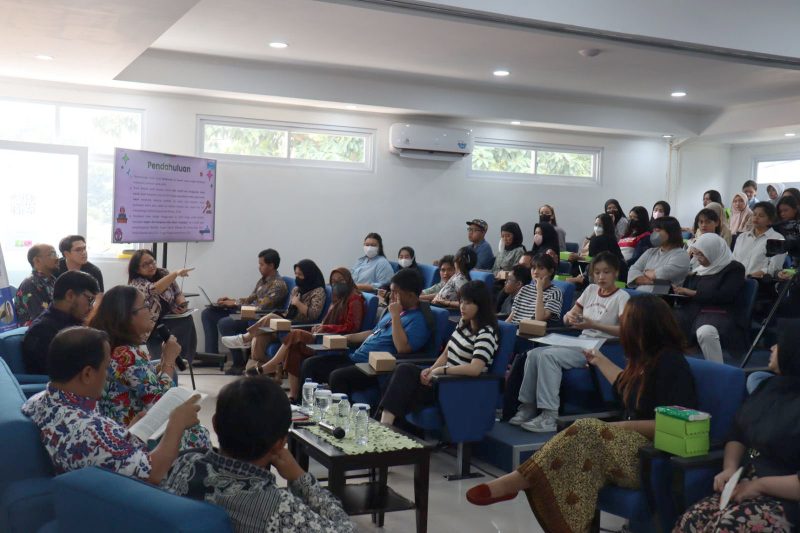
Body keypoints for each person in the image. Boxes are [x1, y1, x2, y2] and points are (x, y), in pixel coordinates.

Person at [468, 295, 698, 533]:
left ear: (646, 327)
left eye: (628, 322)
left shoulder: (671, 363)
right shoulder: (644, 358)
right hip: (629, 445)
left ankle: (519, 480)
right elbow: (625, 386)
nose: (623, 328)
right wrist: (598, 360)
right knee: (576, 458)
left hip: (651, 454)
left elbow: (674, 424)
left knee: (586, 430)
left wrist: (618, 428)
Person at [161, 377, 357, 533]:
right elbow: (346, 530)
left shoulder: (183, 463)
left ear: (214, 424)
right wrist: (300, 478)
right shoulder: (279, 508)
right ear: (280, 443)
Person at [21, 327, 201, 483]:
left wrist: (128, 432)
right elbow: (153, 473)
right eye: (106, 367)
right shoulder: (89, 431)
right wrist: (176, 424)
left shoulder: (39, 400)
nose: (107, 375)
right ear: (87, 374)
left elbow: (105, 452)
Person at [674, 322, 800, 532]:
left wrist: (759, 485)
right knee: (692, 520)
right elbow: (738, 431)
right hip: (745, 483)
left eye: (779, 344)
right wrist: (729, 468)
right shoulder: (769, 386)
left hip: (786, 497)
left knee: (728, 526)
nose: (772, 348)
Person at [508, 252, 630, 432]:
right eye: (597, 273)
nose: (601, 277)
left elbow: (625, 331)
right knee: (533, 354)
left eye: (606, 272)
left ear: (616, 273)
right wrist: (569, 318)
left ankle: (550, 415)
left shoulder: (622, 297)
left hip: (600, 348)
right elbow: (569, 316)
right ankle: (528, 406)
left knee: (548, 356)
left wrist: (593, 324)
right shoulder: (590, 291)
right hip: (582, 341)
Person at [89, 286, 212, 450]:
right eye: (145, 306)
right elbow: (160, 405)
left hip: (114, 427)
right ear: (128, 316)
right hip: (137, 433)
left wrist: (162, 363)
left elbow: (144, 385)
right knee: (198, 432)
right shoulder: (128, 355)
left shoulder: (111, 346)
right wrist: (169, 361)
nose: (151, 311)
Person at [378, 281, 499, 425]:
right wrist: (432, 369)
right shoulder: (463, 323)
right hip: (442, 379)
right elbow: (447, 353)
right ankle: (385, 425)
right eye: (461, 302)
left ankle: (385, 426)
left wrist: (442, 371)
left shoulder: (486, 333)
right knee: (403, 369)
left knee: (403, 386)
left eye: (468, 303)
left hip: (457, 386)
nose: (462, 307)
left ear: (481, 306)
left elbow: (475, 369)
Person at [245, 268, 366, 401]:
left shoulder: (354, 299)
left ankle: (273, 364)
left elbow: (352, 327)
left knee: (295, 334)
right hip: (323, 335)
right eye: (333, 281)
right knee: (294, 348)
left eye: (341, 280)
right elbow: (325, 320)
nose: (336, 284)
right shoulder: (338, 297)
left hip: (333, 341)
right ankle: (294, 396)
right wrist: (321, 326)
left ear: (348, 280)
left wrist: (325, 327)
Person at [304, 269, 431, 389]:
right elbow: (373, 332)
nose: (391, 296)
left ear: (410, 295)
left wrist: (395, 316)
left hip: (376, 367)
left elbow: (402, 348)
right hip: (356, 358)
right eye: (391, 291)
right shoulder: (395, 310)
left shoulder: (418, 320)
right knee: (310, 364)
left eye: (395, 292)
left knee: (337, 376)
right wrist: (345, 338)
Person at [221, 260, 326, 372]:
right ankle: (258, 371)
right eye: (296, 274)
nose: (297, 278)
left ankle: (245, 338)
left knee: (271, 317)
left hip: (300, 328)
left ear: (309, 275)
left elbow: (313, 315)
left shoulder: (318, 291)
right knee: (259, 337)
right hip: (287, 322)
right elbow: (289, 311)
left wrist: (298, 303)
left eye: (300, 275)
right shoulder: (297, 289)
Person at [673, 233, 747, 364]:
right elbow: (688, 295)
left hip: (720, 313)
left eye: (701, 254)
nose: (698, 258)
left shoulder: (734, 268)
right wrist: (679, 290)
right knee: (665, 320)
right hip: (694, 311)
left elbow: (725, 296)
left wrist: (693, 293)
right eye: (696, 254)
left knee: (705, 331)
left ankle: (718, 370)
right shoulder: (700, 270)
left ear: (713, 251)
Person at [200, 249, 288, 357]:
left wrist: (235, 303)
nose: (259, 267)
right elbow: (250, 299)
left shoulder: (278, 285)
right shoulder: (263, 281)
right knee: (208, 313)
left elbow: (260, 307)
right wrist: (230, 301)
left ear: (271, 265)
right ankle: (211, 356)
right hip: (247, 312)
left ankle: (238, 362)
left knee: (225, 323)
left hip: (257, 318)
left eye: (262, 264)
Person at [127, 249, 197, 364]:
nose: (151, 266)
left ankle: (182, 359)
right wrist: (175, 274)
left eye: (152, 262)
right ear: (137, 268)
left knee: (186, 318)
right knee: (159, 364)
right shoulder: (136, 282)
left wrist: (182, 305)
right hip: (152, 325)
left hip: (170, 318)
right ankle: (173, 360)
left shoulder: (163, 273)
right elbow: (154, 289)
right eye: (145, 264)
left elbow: (177, 293)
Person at [22, 271, 99, 374]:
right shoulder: (42, 331)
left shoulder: (76, 322)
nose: (91, 307)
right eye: (89, 299)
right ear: (70, 295)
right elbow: (59, 375)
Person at [627, 216, 691, 286]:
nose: (654, 234)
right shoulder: (650, 251)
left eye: (658, 230)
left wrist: (644, 272)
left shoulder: (681, 255)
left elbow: (662, 275)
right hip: (641, 292)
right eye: (654, 231)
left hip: (664, 295)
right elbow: (633, 269)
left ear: (671, 232)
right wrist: (647, 278)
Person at [732, 201, 786, 278]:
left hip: (759, 283)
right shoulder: (742, 237)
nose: (756, 218)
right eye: (754, 214)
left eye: (761, 215)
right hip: (736, 280)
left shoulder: (777, 238)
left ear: (770, 220)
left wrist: (748, 277)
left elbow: (773, 269)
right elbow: (733, 261)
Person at [506, 254, 563, 326]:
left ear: (551, 272)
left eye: (541, 268)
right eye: (533, 268)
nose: (535, 272)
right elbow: (511, 317)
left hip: (531, 332)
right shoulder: (525, 289)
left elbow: (539, 319)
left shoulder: (555, 293)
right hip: (513, 329)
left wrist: (539, 290)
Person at [14, 243, 59, 326]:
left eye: (56, 254)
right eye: (52, 254)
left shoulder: (53, 280)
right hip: (38, 334)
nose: (57, 258)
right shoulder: (30, 284)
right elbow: (41, 319)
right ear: (37, 260)